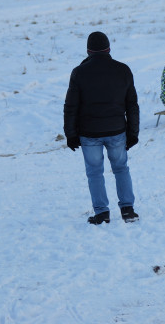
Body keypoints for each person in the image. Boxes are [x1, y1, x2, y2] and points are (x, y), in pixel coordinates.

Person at [63, 31, 140, 225]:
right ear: (109, 49)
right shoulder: (123, 70)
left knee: (94, 172)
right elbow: (132, 105)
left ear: (88, 51)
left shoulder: (79, 72)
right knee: (121, 168)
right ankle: (128, 210)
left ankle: (102, 213)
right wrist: (133, 133)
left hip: (89, 133)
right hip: (117, 131)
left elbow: (71, 107)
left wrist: (71, 134)